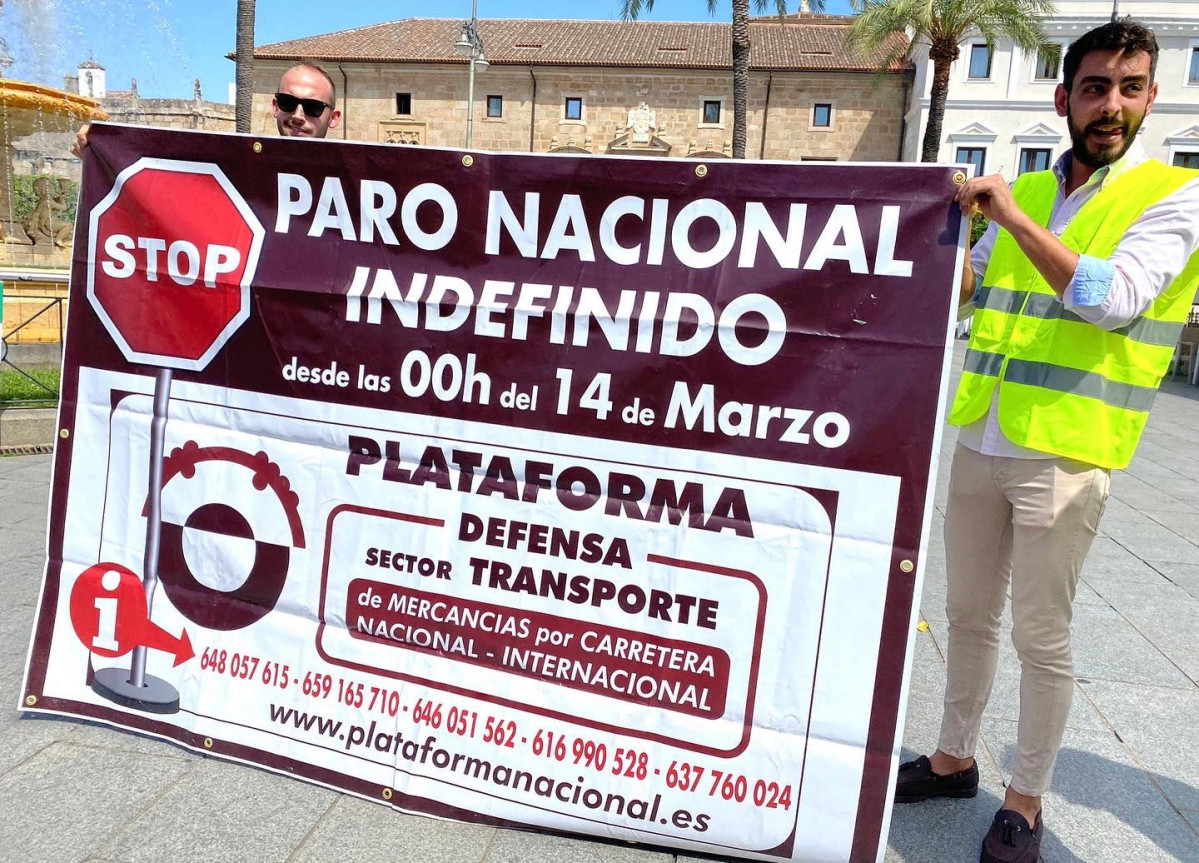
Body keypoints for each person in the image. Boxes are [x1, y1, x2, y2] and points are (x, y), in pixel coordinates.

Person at [895, 20, 1199, 863]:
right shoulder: (1023, 194)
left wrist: (1006, 220)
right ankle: (955, 757)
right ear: (1063, 97)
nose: (1110, 105)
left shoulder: (1173, 197)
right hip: (982, 430)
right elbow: (970, 285)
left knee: (1041, 632)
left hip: (1067, 450)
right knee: (964, 612)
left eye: (1128, 88)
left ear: (1148, 100)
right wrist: (921, 243)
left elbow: (1112, 297)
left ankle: (1024, 797)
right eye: (1095, 86)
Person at [70, 62, 341, 155]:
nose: (297, 115)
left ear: (333, 118)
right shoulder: (237, 165)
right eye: (288, 102)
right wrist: (101, 155)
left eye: (314, 107)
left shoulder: (359, 183)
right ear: (274, 106)